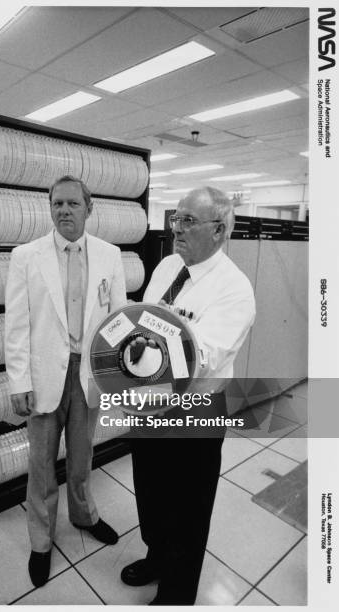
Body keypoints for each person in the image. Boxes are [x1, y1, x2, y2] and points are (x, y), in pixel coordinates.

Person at [121, 186, 256, 605]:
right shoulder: (165, 267)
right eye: (175, 219)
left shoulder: (235, 288)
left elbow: (207, 356)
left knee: (189, 503)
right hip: (150, 400)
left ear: (219, 230)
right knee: (150, 486)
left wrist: (164, 334)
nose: (176, 229)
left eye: (188, 221)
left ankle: (179, 589)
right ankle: (156, 555)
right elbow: (142, 324)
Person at [5, 175, 127, 588]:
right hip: (42, 377)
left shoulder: (110, 255)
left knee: (81, 456)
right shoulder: (26, 256)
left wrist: (114, 375)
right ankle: (41, 541)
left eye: (73, 204)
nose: (64, 211)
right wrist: (18, 380)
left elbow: (118, 321)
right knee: (40, 466)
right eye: (57, 204)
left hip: (88, 374)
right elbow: (16, 324)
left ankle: (83, 514)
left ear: (89, 208)